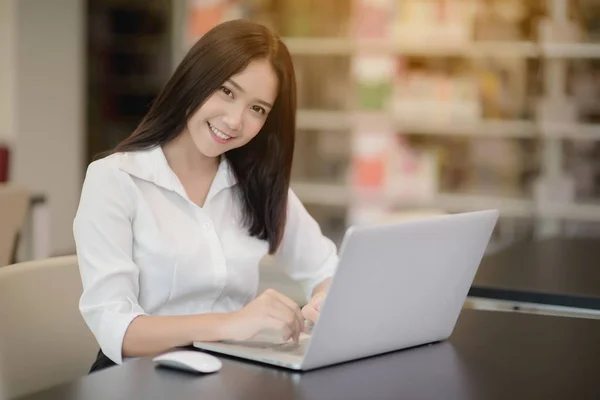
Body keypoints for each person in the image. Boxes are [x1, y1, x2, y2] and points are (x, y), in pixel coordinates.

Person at [73, 19, 338, 373]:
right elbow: (118, 330)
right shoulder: (115, 180)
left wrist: (323, 301)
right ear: (195, 79)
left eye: (257, 109)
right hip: (139, 377)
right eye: (227, 92)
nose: (234, 120)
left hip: (232, 372)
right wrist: (231, 323)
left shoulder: (257, 183)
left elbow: (328, 269)